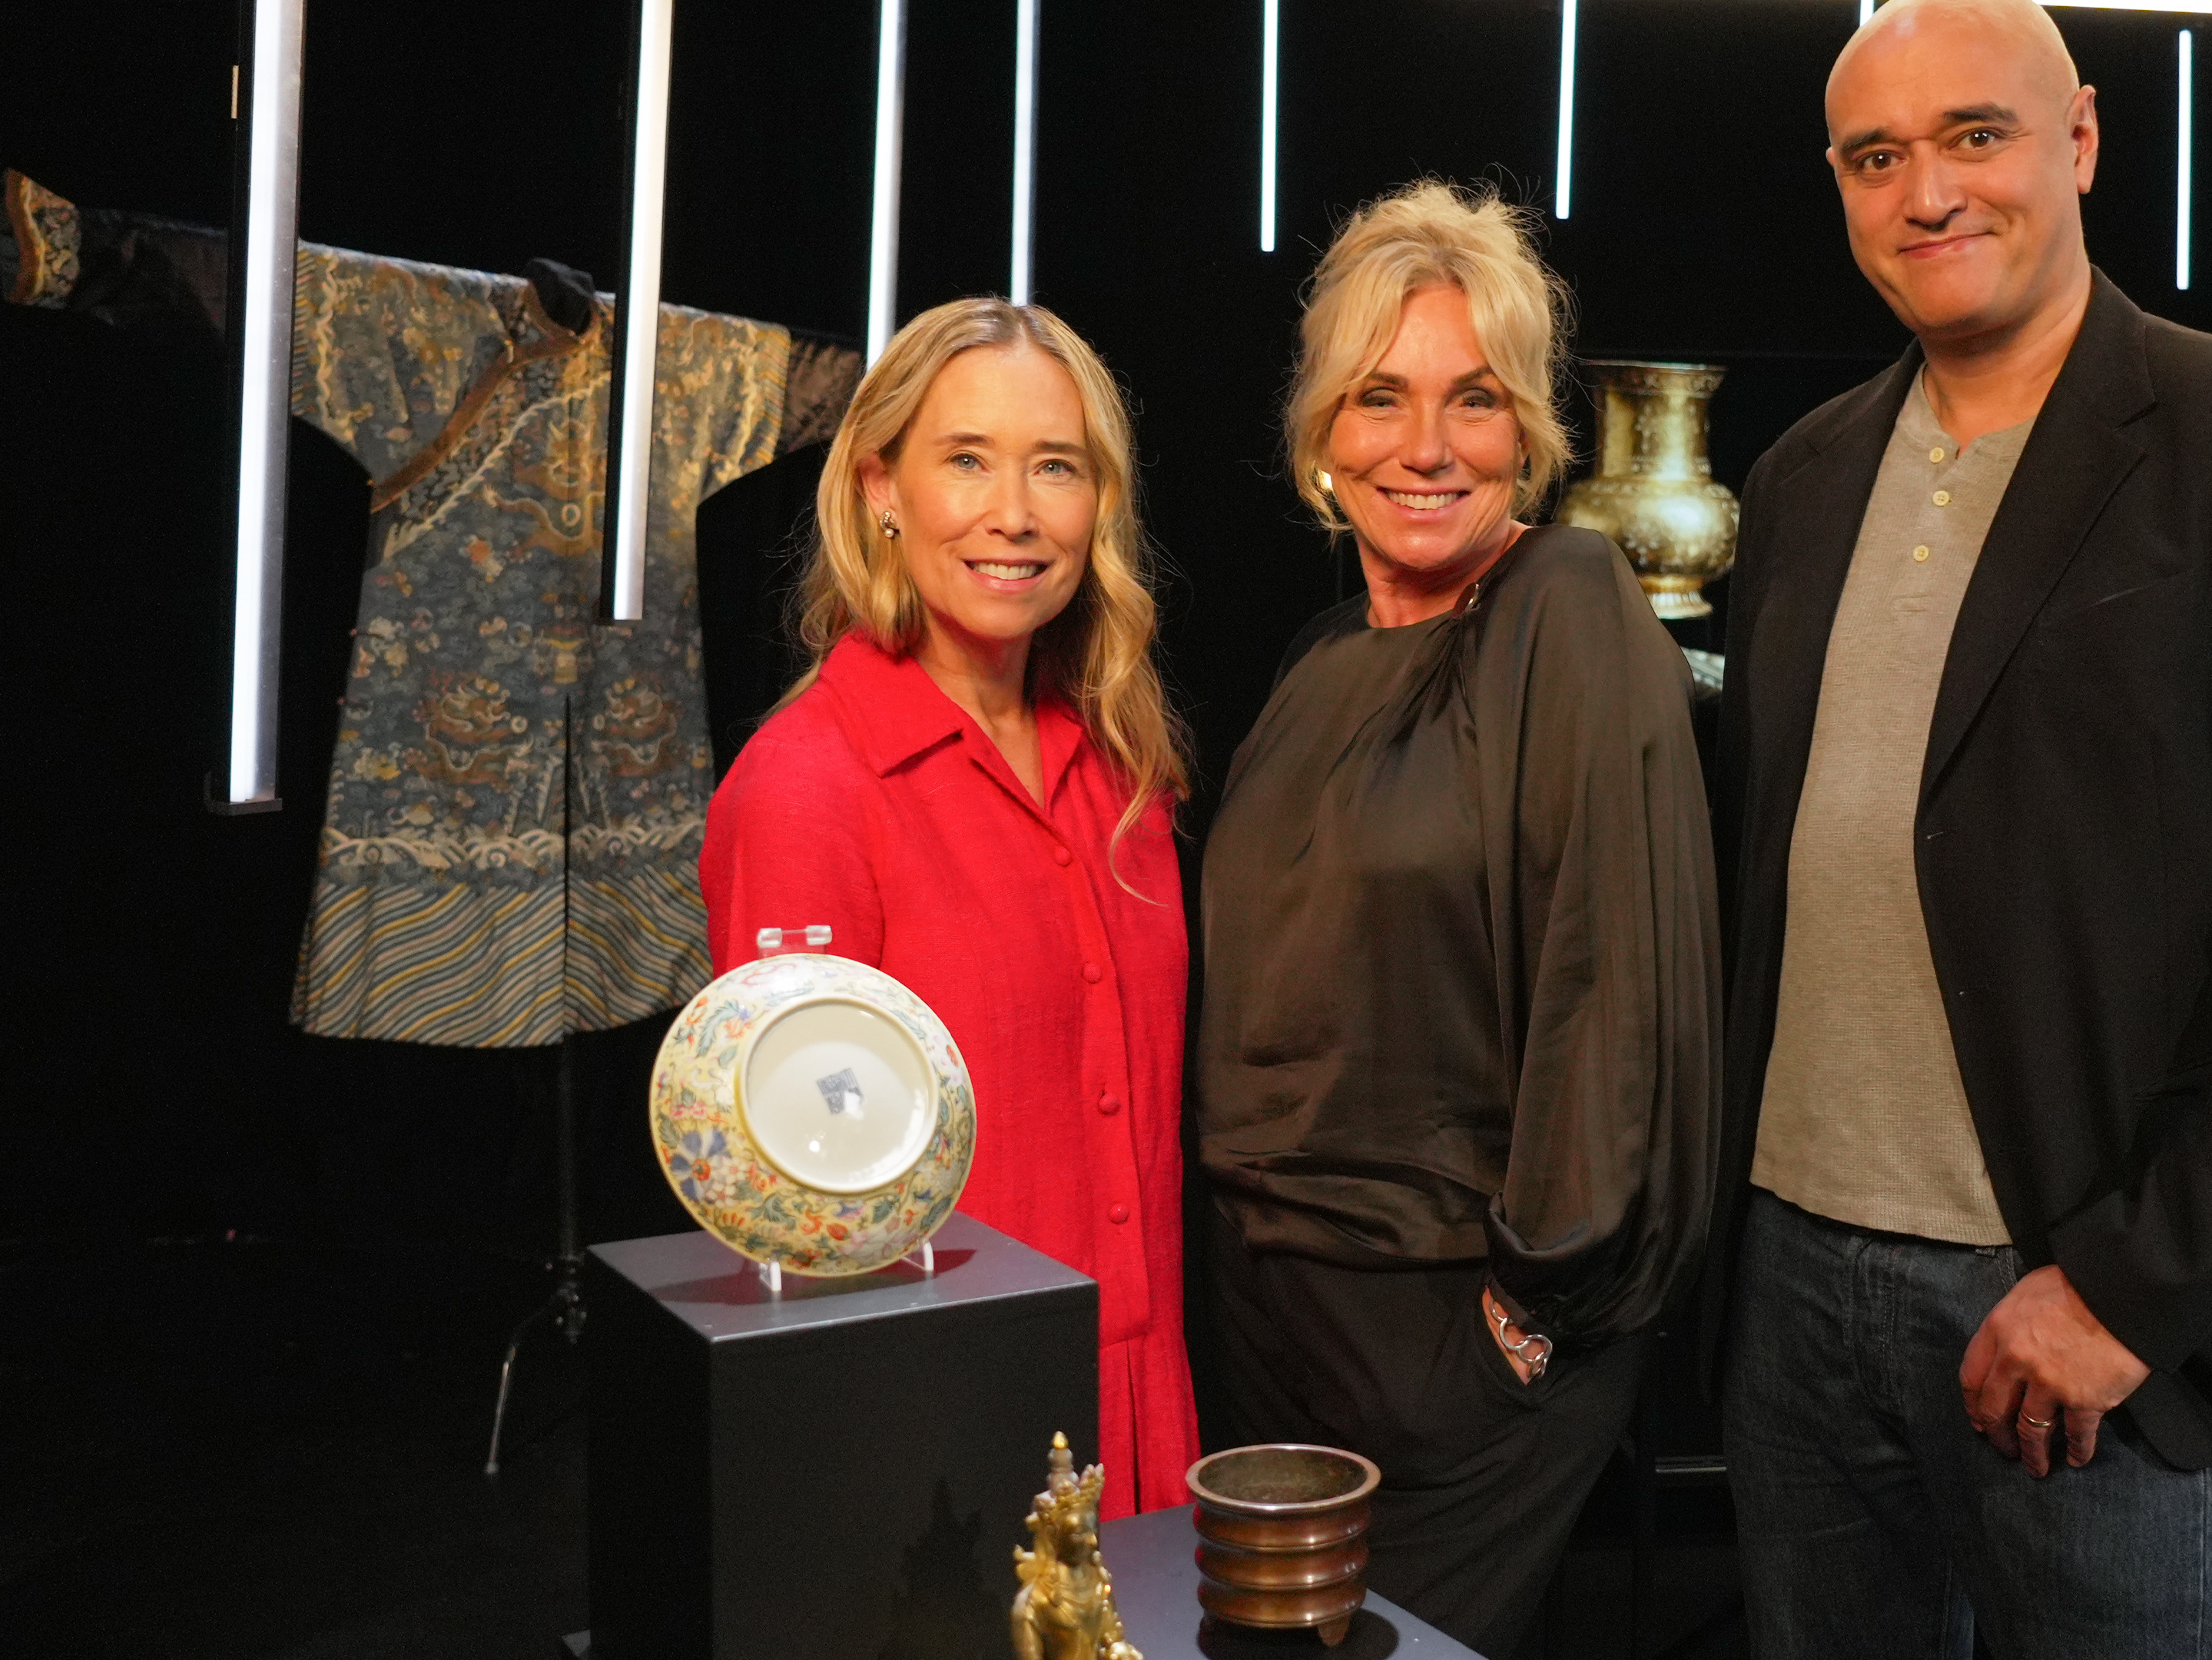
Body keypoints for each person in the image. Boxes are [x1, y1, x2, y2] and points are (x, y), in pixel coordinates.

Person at [1713, 3, 2212, 1655]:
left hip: (2084, 1313)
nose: (1927, 192)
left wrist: (2134, 1287)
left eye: (1973, 136)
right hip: (1794, 1288)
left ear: (2077, 139)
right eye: (1876, 157)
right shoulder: (1800, 478)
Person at [1192, 180, 1720, 1660]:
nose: (1424, 446)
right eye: (1381, 397)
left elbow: (1615, 979)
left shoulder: (1568, 601)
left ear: (1528, 432)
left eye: (1474, 399)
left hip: (1457, 1331)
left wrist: (1538, 1305)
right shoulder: (1315, 660)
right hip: (1262, 1318)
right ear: (1322, 432)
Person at [700, 298, 1199, 1517]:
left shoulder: (1124, 772)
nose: (1013, 513)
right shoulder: (809, 790)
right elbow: (802, 1227)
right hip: (939, 1440)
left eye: (1055, 467)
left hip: (1144, 1413)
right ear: (882, 488)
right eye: (967, 460)